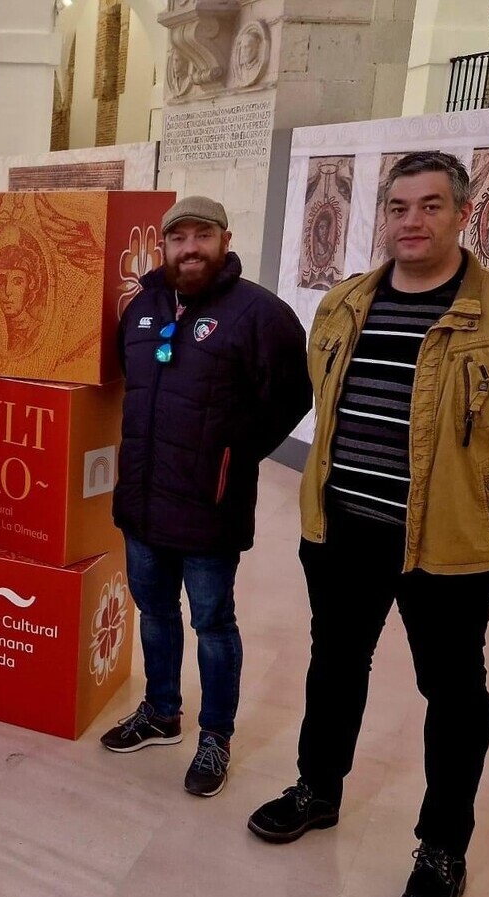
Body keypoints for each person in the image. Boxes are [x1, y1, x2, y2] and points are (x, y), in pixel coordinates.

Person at [247, 151, 489, 897]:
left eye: (431, 205)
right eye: (399, 207)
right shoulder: (343, 305)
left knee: (454, 691)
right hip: (341, 530)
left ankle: (441, 846)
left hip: (449, 546)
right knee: (334, 666)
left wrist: (486, 500)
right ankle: (317, 790)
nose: (413, 221)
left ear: (463, 214)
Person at [104, 196, 311, 797]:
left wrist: (232, 453)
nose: (189, 248)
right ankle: (161, 711)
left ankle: (216, 735)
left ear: (224, 238)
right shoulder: (142, 307)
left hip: (208, 506)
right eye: (178, 238)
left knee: (213, 622)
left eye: (201, 235)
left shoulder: (258, 314)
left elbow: (294, 393)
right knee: (156, 612)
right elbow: (131, 378)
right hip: (141, 500)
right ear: (163, 246)